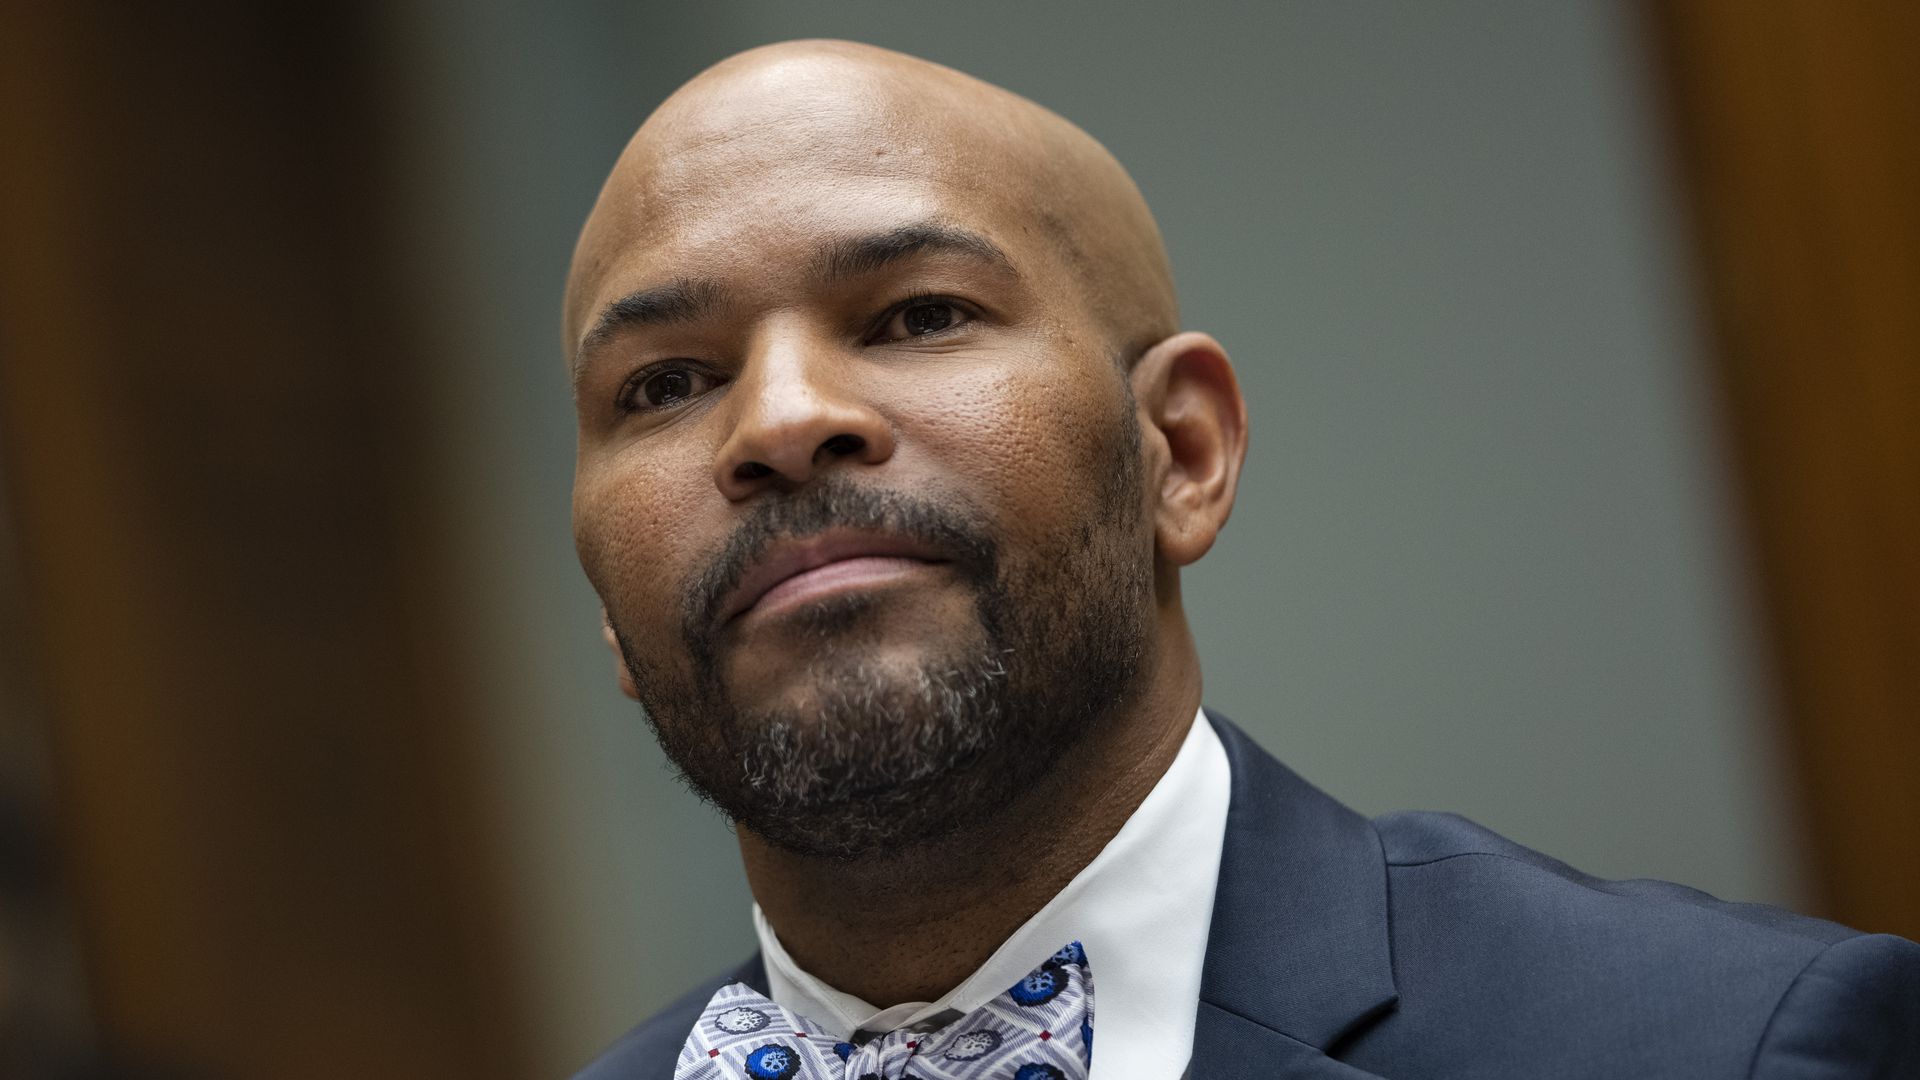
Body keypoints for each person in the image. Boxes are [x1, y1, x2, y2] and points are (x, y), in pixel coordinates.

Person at [561, 39, 1919, 1080]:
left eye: (918, 314)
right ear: (610, 616)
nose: (784, 423)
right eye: (665, 384)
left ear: (1182, 451)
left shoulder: (1732, 1046)